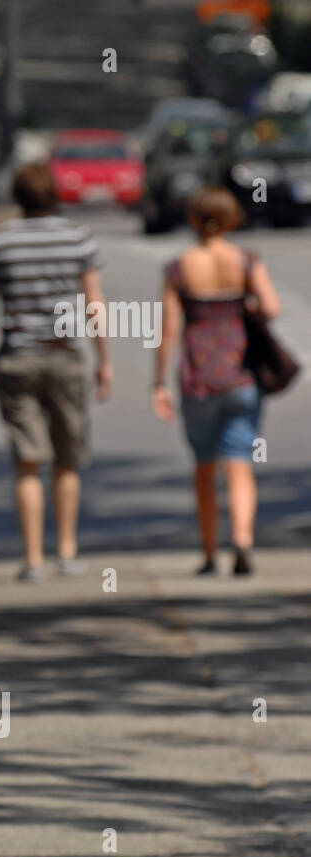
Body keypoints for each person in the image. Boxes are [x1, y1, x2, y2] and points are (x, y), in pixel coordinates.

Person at [0, 163, 113, 582]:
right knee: (68, 458)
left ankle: (33, 558)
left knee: (28, 459)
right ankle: (68, 550)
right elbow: (94, 304)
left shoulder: (0, 241)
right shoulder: (77, 238)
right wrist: (104, 359)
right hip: (64, 355)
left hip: (17, 356)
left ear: (17, 197)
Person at [152, 187, 280, 575]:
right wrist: (243, 306)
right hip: (241, 373)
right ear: (231, 220)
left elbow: (169, 328)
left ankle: (210, 552)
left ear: (193, 220)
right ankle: (242, 540)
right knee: (239, 460)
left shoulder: (180, 266)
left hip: (198, 377)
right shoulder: (245, 260)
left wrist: (158, 383)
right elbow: (271, 306)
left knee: (204, 466)